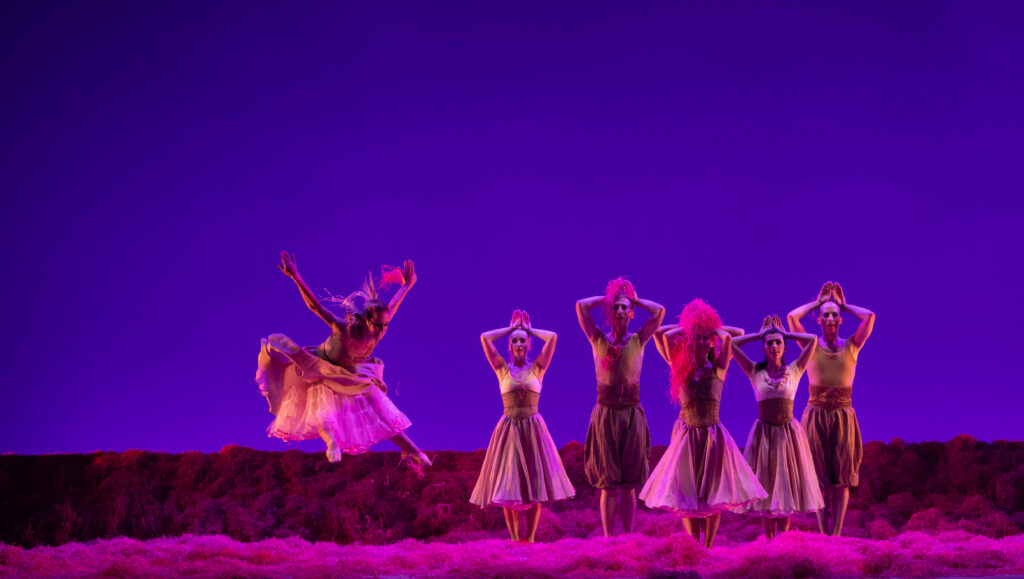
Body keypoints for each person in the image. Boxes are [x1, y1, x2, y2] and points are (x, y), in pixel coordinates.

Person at [255, 252, 430, 465]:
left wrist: (406, 286)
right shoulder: (344, 329)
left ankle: (410, 449)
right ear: (366, 320)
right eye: (378, 324)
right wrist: (296, 276)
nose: (382, 329)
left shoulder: (380, 327)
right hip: (321, 366)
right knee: (323, 407)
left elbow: (392, 307)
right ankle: (332, 443)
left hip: (350, 371)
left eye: (385, 325)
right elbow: (315, 307)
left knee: (377, 405)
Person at [639, 299, 766, 548]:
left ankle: (707, 545)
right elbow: (665, 336)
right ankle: (692, 545)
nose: (700, 342)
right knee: (688, 493)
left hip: (713, 436)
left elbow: (734, 336)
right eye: (696, 338)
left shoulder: (719, 367)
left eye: (705, 338)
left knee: (714, 492)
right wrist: (692, 326)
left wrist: (710, 329)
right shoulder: (680, 368)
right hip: (687, 436)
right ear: (689, 340)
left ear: (711, 341)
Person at [469, 310, 575, 542]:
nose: (518, 344)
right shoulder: (501, 369)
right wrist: (511, 328)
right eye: (514, 341)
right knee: (508, 484)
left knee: (535, 484)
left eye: (522, 341)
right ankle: (515, 538)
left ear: (528, 345)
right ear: (509, 345)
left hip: (533, 429)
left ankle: (531, 538)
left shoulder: (538, 368)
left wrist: (528, 330)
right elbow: (485, 338)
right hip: (509, 429)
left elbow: (553, 337)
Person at [576, 277, 665, 537]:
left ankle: (627, 538)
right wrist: (608, 298)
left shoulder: (639, 340)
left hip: (631, 414)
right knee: (608, 483)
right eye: (615, 307)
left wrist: (634, 298)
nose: (620, 311)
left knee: (629, 485)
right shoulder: (598, 339)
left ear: (632, 313)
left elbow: (659, 312)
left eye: (625, 307)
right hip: (606, 415)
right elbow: (580, 307)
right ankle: (608, 539)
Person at [787, 281, 875, 536]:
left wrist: (843, 305)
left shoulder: (852, 346)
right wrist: (819, 302)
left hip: (843, 416)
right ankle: (823, 533)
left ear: (840, 320)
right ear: (819, 319)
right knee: (818, 479)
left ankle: (836, 534)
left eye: (834, 315)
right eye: (825, 314)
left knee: (842, 479)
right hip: (815, 415)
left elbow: (869, 317)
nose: (830, 318)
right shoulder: (810, 346)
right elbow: (792, 318)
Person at [730, 315, 823, 540]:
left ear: (784, 345)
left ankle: (783, 539)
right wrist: (762, 334)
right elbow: (732, 344)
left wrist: (786, 333)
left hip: (788, 436)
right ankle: (770, 539)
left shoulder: (795, 369)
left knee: (786, 485)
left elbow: (812, 341)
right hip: (764, 435)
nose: (774, 346)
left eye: (778, 342)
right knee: (766, 485)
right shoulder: (755, 371)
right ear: (763, 346)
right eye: (769, 342)